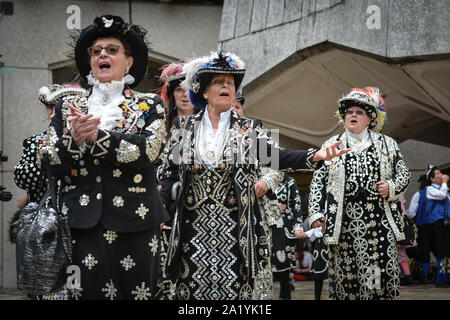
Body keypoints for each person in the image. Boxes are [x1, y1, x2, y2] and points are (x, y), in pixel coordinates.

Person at [158, 51, 349, 300]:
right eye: (219, 82)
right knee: (193, 290)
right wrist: (163, 207)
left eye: (231, 83)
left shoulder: (248, 129)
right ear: (204, 92)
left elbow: (277, 157)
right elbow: (168, 175)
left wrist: (315, 155)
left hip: (237, 230)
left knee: (236, 292)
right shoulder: (183, 128)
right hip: (192, 230)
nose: (227, 86)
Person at [39, 15, 168, 300]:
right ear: (90, 61)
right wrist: (72, 140)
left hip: (138, 221)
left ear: (129, 61)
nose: (102, 56)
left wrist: (99, 138)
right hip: (82, 223)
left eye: (112, 50)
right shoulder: (66, 105)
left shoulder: (150, 104)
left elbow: (147, 152)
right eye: (96, 51)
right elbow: (50, 163)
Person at [308, 87, 411, 300]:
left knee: (376, 276)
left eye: (359, 112)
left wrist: (390, 188)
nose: (352, 115)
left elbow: (404, 175)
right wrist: (316, 213)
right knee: (347, 278)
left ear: (369, 119)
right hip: (343, 224)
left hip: (378, 224)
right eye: (349, 112)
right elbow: (318, 181)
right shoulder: (331, 144)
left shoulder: (387, 144)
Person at [13, 83, 86, 299]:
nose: (54, 112)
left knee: (79, 286)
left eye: (62, 107)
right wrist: (49, 155)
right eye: (50, 107)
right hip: (48, 230)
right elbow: (21, 177)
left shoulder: (88, 142)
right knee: (49, 285)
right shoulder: (36, 142)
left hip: (82, 225)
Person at [273, 174, 307, 300]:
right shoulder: (261, 178)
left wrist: (298, 226)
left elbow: (296, 206)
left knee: (283, 261)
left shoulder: (289, 182)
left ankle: (285, 291)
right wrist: (275, 207)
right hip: (265, 227)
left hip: (284, 227)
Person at [415, 165, 449, 288]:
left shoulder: (443, 189)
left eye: (441, 173)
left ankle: (445, 277)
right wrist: (445, 183)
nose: (441, 175)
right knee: (438, 251)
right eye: (438, 174)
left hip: (444, 223)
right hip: (436, 223)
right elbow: (442, 196)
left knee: (445, 251)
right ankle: (439, 279)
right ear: (432, 178)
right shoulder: (430, 189)